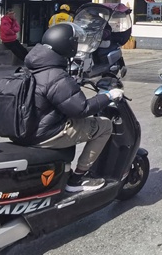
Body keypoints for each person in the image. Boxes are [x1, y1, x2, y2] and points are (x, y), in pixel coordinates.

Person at [29, 23, 124, 192]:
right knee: (104, 125)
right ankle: (77, 179)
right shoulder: (55, 75)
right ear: (67, 45)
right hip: (45, 135)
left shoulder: (31, 67)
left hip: (27, 130)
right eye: (75, 42)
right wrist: (108, 96)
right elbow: (82, 109)